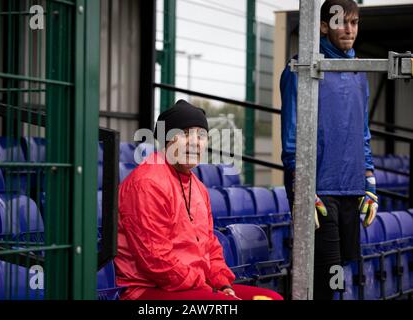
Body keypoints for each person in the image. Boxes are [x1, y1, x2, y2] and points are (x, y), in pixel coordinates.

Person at [114, 99, 283, 300]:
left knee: (271, 298)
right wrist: (207, 288)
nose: (195, 142)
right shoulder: (147, 183)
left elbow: (210, 246)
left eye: (201, 135)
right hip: (149, 291)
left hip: (193, 286)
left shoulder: (198, 187)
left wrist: (222, 284)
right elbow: (156, 261)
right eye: (185, 134)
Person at [280, 0, 378, 300]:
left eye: (354, 22)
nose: (349, 29)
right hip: (317, 188)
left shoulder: (361, 72)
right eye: (341, 22)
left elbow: (363, 132)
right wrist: (301, 186)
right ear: (323, 26)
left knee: (340, 273)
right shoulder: (299, 69)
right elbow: (291, 134)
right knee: (324, 271)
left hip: (351, 186)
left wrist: (370, 181)